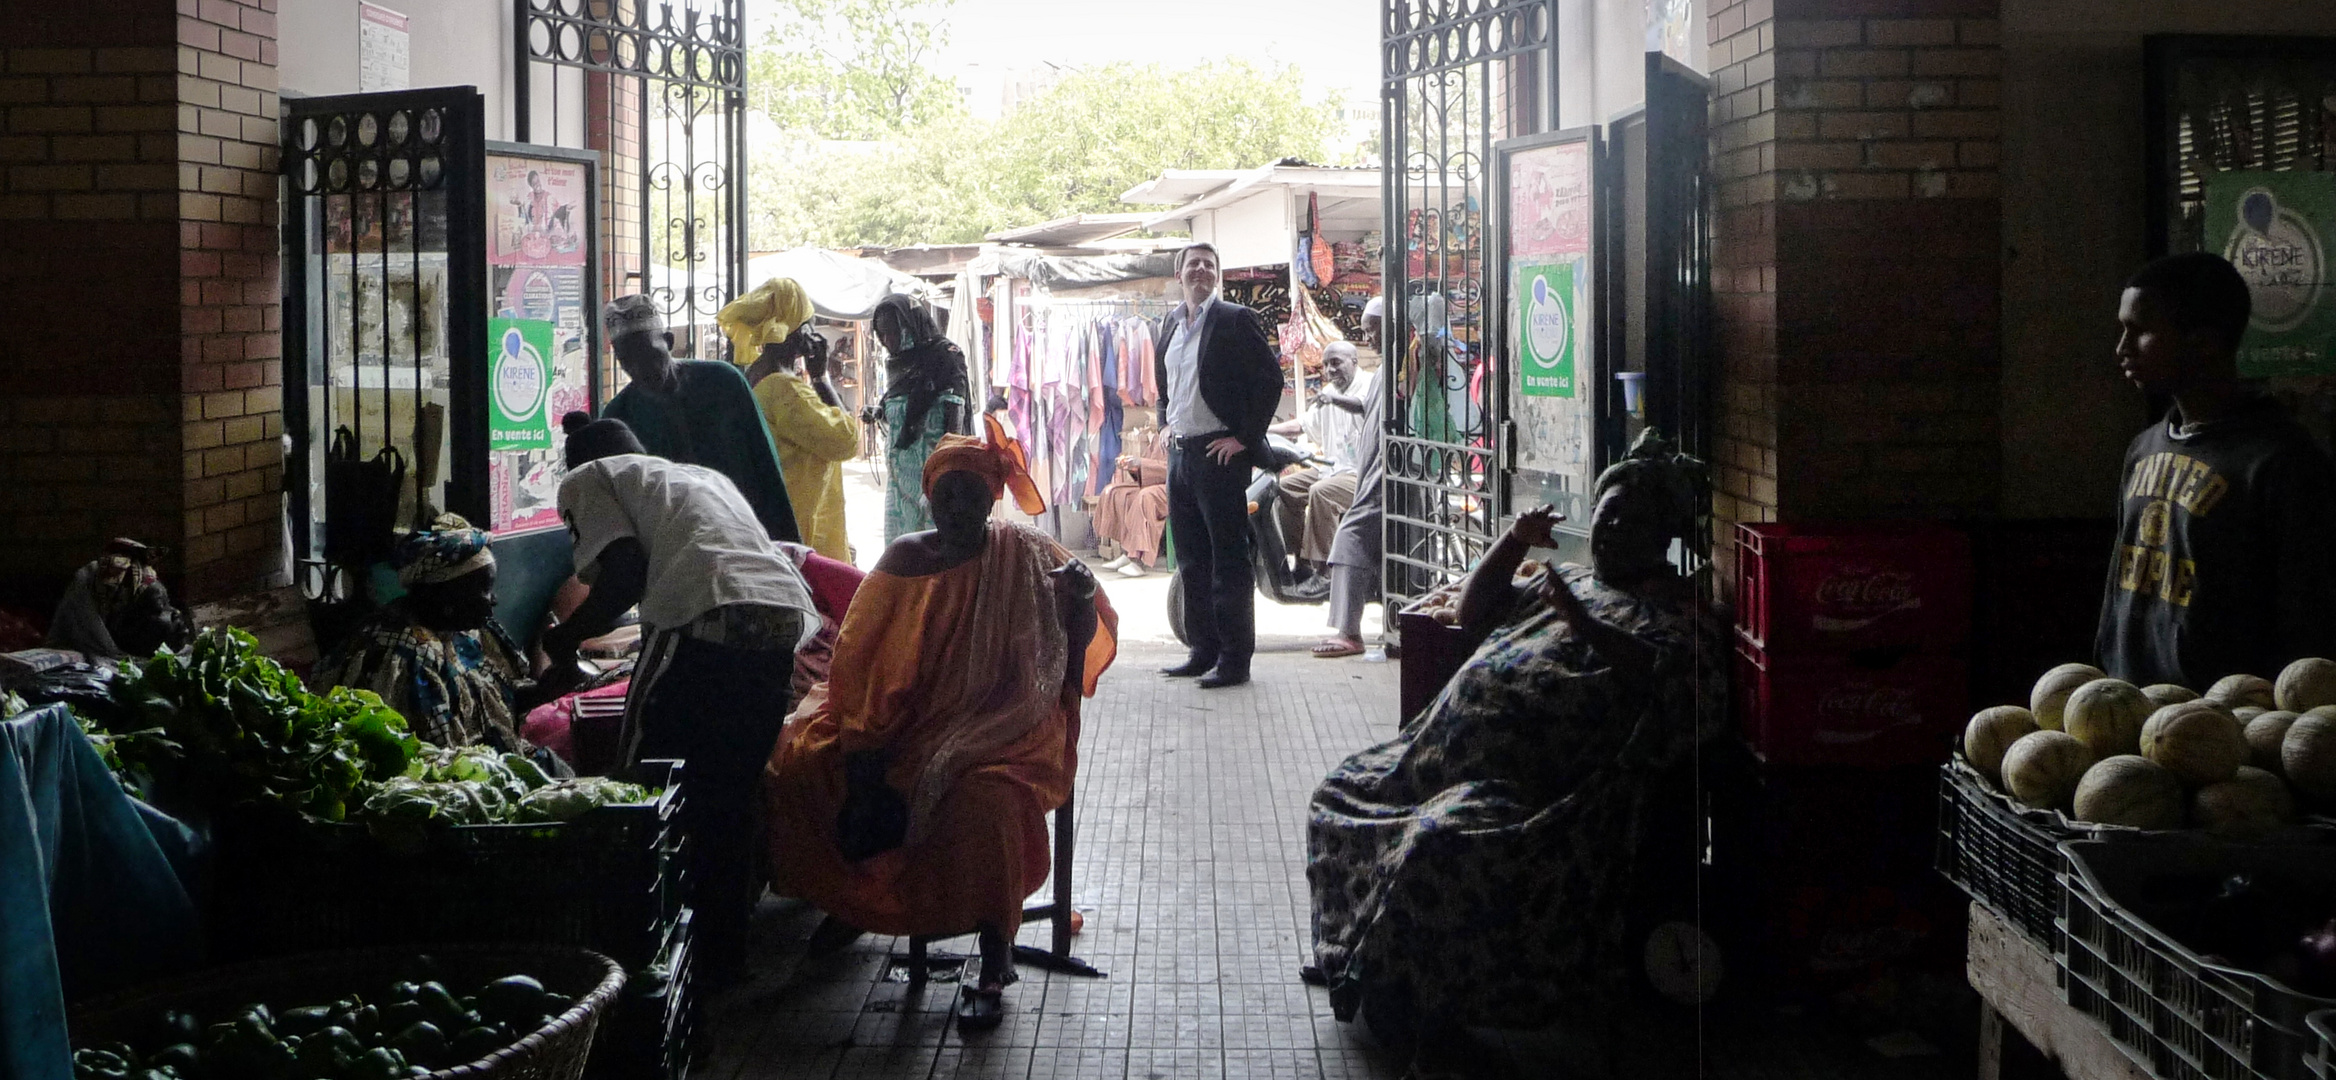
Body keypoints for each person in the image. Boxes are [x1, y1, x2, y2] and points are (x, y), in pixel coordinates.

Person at [1305, 430, 1725, 1074]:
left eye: (1627, 523)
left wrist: (1581, 622)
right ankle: (1360, 952)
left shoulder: (1674, 613)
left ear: (1660, 536)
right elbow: (1471, 611)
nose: (1609, 533)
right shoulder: (1575, 580)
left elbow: (1672, 685)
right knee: (1340, 792)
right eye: (1604, 517)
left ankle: (1421, 1008)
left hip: (1535, 797)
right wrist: (1513, 541)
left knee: (1438, 846)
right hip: (1437, 760)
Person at [764, 416, 1116, 1033]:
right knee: (804, 764)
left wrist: (1082, 599)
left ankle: (995, 957)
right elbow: (861, 660)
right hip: (907, 719)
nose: (958, 507)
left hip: (1009, 727)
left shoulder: (1027, 554)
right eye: (947, 494)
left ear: (991, 498)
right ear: (929, 496)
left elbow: (1075, 644)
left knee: (986, 802)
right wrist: (867, 738)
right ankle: (862, 899)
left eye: (971, 495)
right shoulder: (905, 558)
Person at [539, 412, 819, 987]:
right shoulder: (698, 477)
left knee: (645, 786)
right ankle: (723, 959)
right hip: (780, 620)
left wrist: (563, 639)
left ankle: (643, 956)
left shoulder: (589, 476)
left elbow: (623, 574)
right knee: (730, 796)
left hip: (705, 615)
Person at [2097, 252, 2336, 688]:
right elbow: (2121, 597)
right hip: (2130, 716)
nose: (2122, 349)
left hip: (2222, 730)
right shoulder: (2143, 448)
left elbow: (2306, 624)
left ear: (2203, 343)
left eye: (2141, 331)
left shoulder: (2280, 463)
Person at [1152, 242, 1284, 689]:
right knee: (1191, 559)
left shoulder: (1233, 319)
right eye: (1194, 265)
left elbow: (1271, 379)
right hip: (1181, 456)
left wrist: (1243, 438)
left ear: (1217, 275)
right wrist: (1164, 423)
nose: (1201, 271)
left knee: (1229, 560)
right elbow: (1163, 385)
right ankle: (1201, 649)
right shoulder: (1170, 323)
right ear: (1180, 273)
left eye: (1209, 265)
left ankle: (1234, 659)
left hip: (1219, 457)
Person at [315, 515, 543, 754]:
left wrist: (543, 691)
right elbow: (437, 755)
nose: (493, 600)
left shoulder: (464, 633)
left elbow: (496, 701)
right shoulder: (401, 657)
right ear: (447, 595)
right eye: (483, 590)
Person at [598, 294, 801, 544]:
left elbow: (767, 469)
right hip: (678, 552)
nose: (640, 369)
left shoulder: (723, 382)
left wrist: (790, 548)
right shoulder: (619, 417)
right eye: (627, 360)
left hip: (747, 537)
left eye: (649, 355)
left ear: (669, 341)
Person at [747, 325, 861, 562]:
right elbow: (847, 440)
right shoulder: (785, 389)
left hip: (772, 519)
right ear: (796, 333)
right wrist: (821, 377)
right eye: (808, 325)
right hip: (802, 532)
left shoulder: (754, 376)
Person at [1269, 340, 1376, 586]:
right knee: (1285, 487)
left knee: (1321, 492)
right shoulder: (1329, 391)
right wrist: (1265, 431)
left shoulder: (1369, 385)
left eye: (1336, 363)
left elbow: (1362, 406)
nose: (1330, 370)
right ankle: (1300, 561)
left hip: (1362, 473)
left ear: (1354, 361)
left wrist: (1333, 400)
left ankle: (1323, 571)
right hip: (1332, 467)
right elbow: (1303, 425)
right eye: (1326, 365)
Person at [866, 294, 972, 542]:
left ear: (909, 325)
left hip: (935, 483)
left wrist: (944, 480)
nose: (886, 340)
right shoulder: (897, 365)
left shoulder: (945, 357)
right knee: (901, 559)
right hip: (899, 487)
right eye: (881, 334)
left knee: (936, 558)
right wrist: (878, 413)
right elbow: (899, 413)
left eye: (892, 331)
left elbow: (954, 424)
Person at [1313, 370, 1387, 659]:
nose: (1369, 337)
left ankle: (1349, 632)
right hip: (1372, 467)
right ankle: (1391, 623)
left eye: (1373, 329)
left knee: (1349, 535)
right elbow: (1369, 406)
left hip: (1389, 468)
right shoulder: (1387, 367)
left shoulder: (1404, 359)